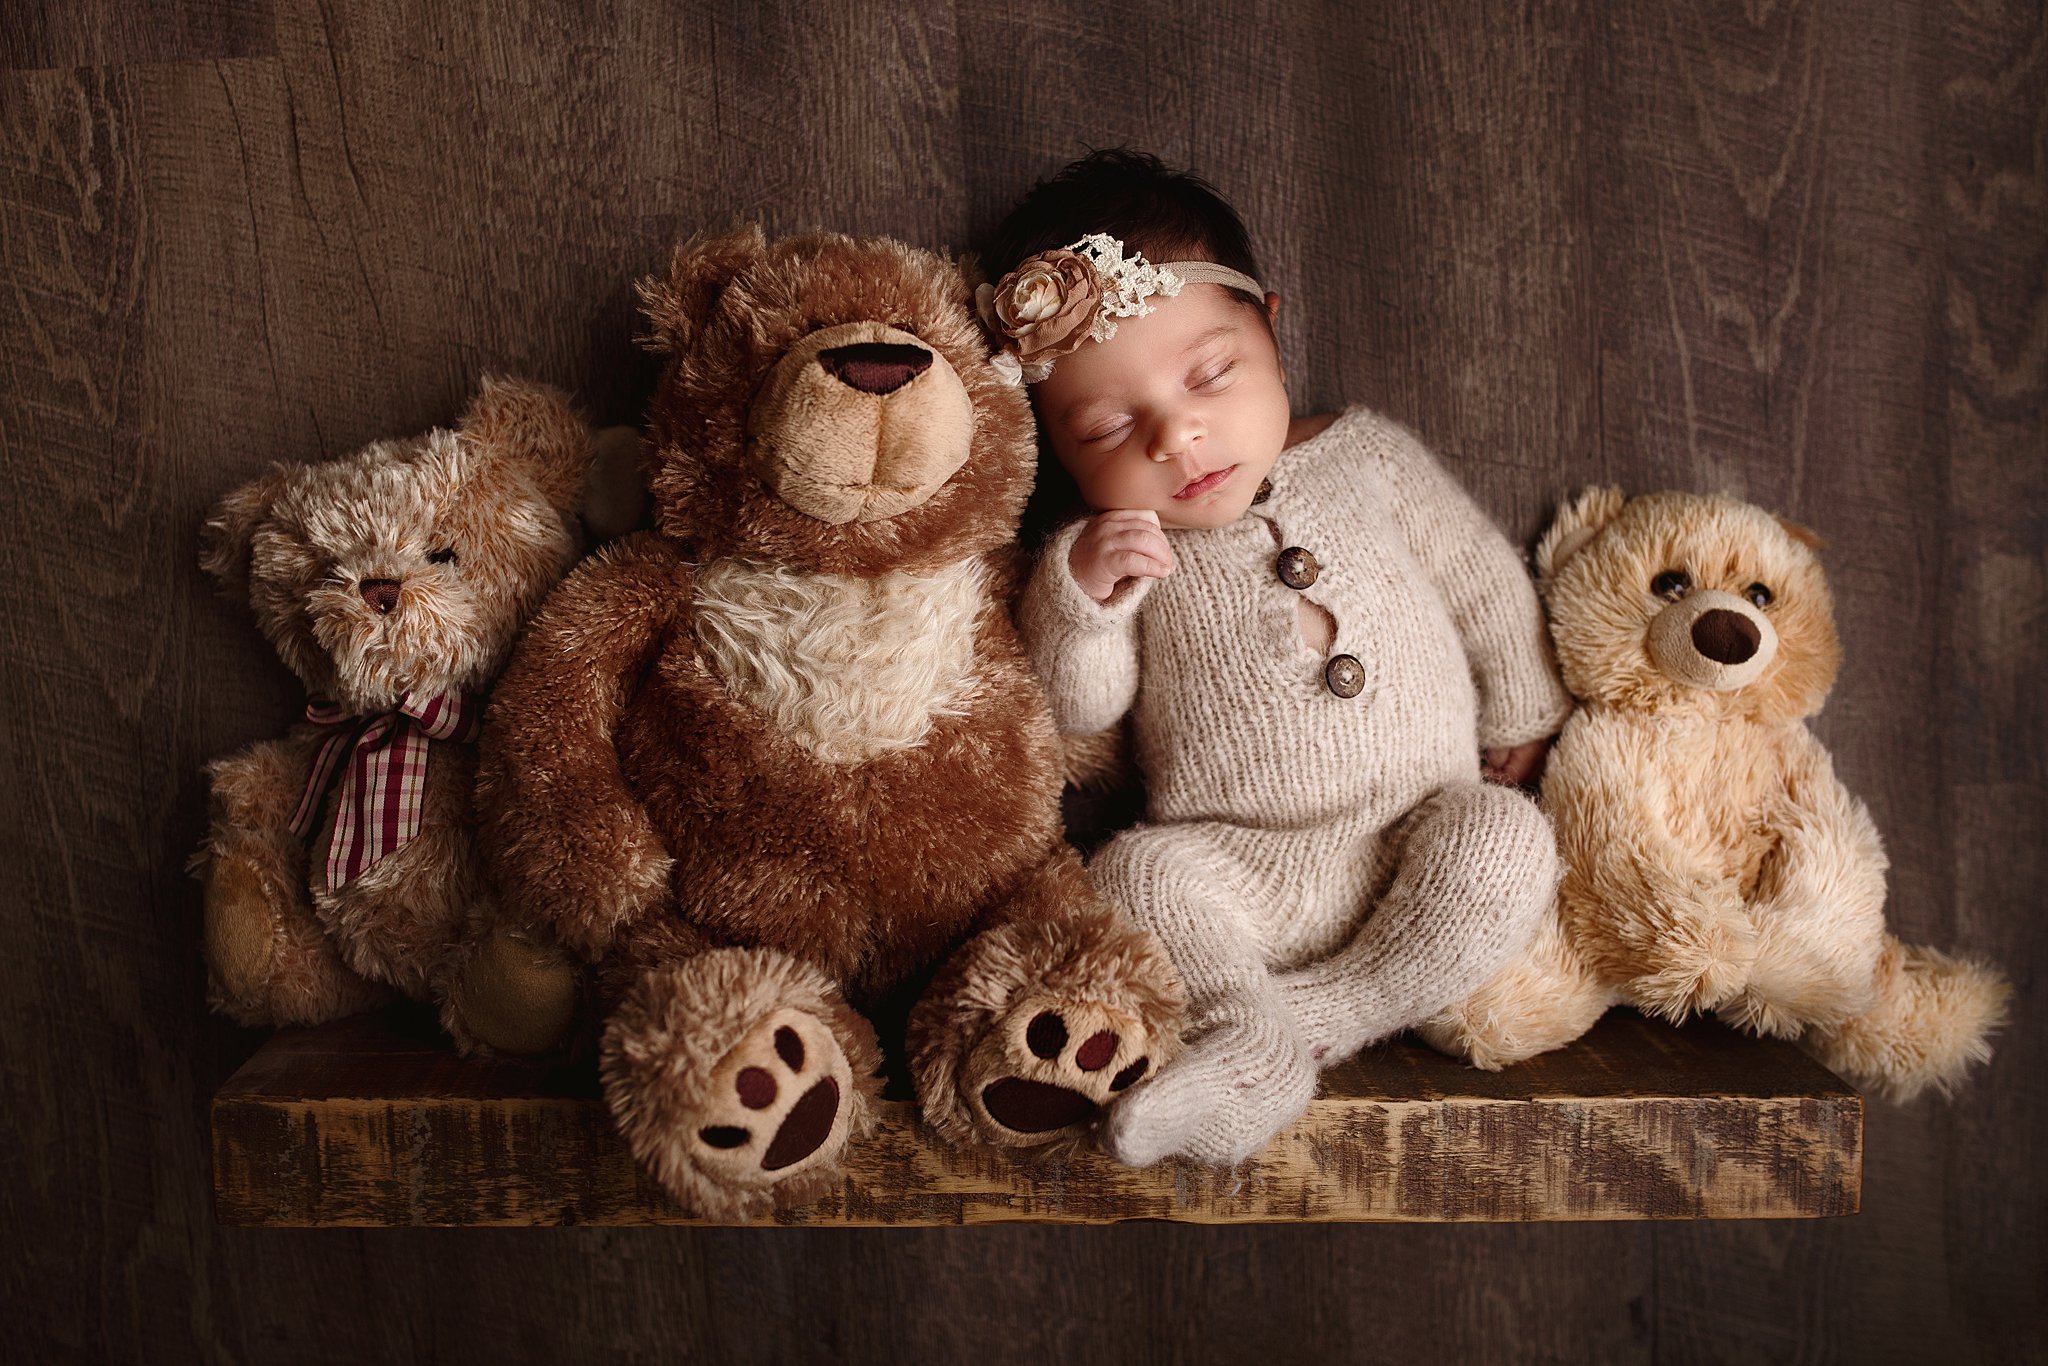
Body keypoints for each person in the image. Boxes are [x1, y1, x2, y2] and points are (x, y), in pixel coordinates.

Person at [979, 149, 1572, 1166]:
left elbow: (1479, 578)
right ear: (1057, 449)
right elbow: (1078, 710)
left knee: (1507, 840)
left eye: (1210, 373)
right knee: (1133, 870)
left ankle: (1288, 1032)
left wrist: (1520, 711)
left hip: (1416, 830)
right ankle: (1235, 1026)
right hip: (1242, 866)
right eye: (1109, 424)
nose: (1177, 433)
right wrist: (1081, 603)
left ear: (1272, 330)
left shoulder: (1367, 456)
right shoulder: (1103, 549)